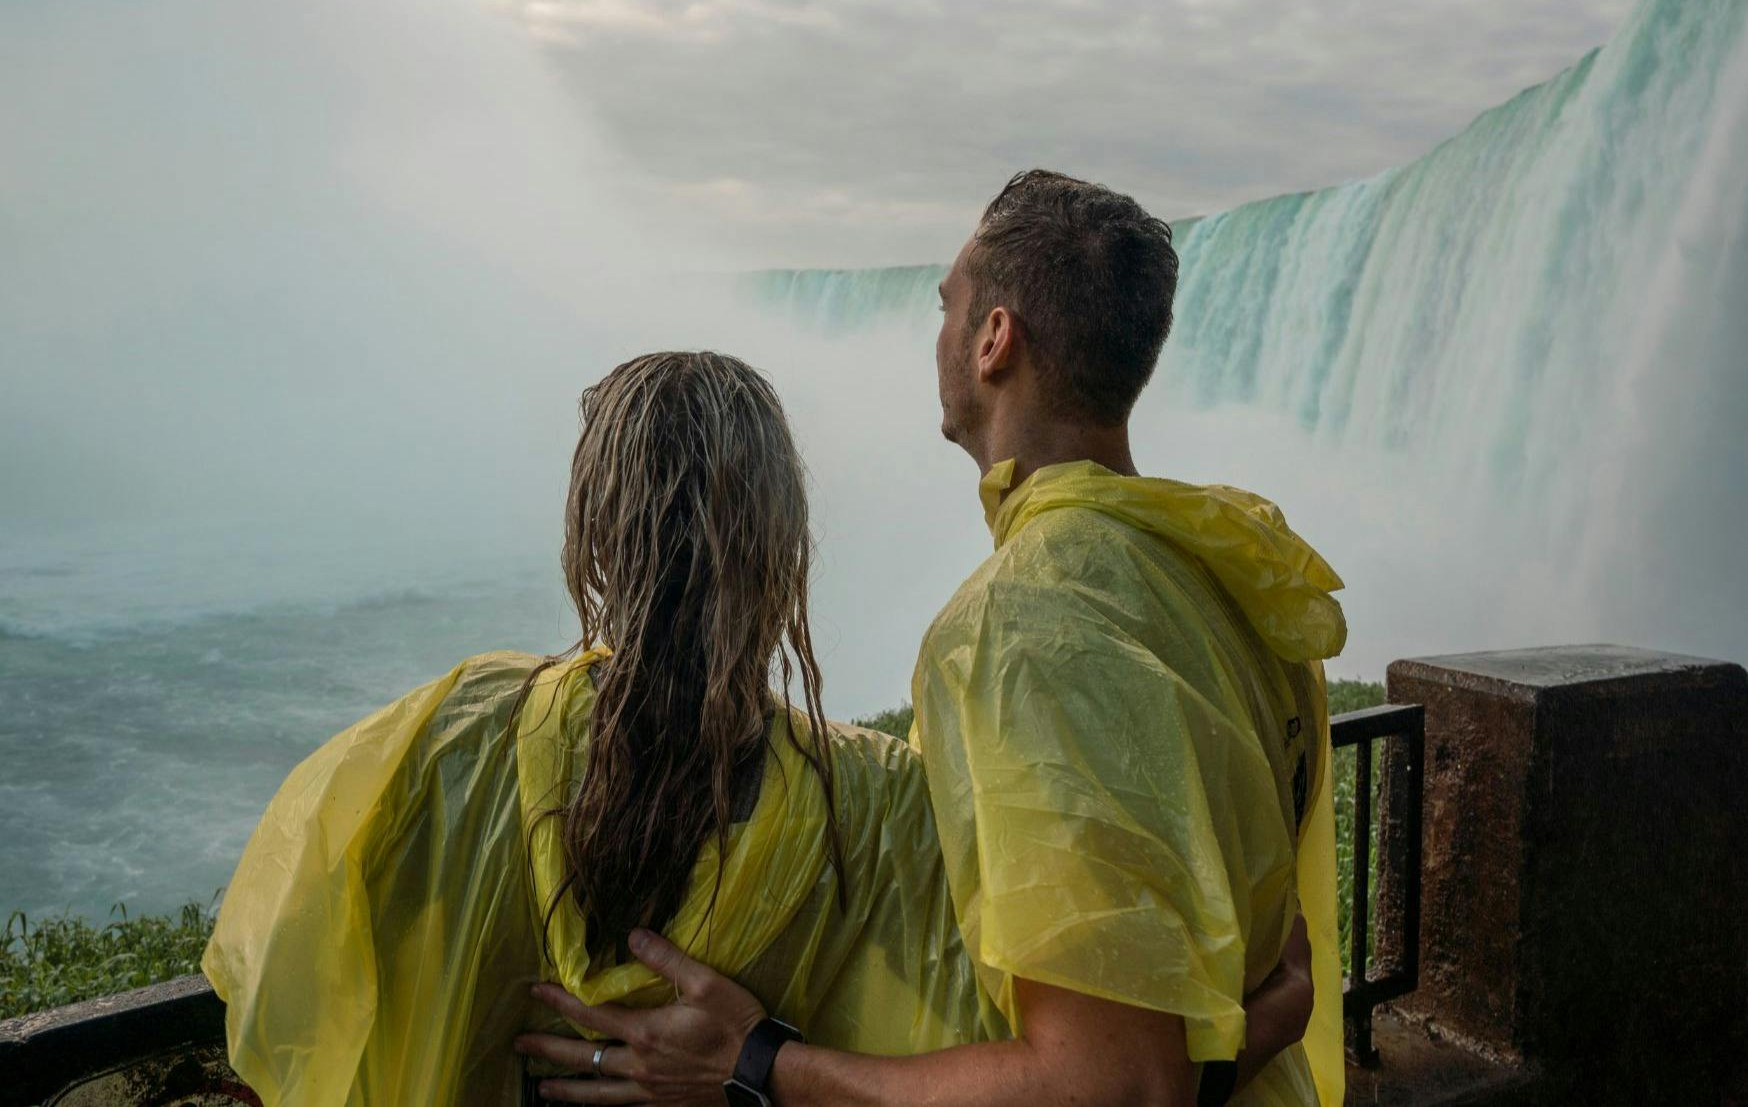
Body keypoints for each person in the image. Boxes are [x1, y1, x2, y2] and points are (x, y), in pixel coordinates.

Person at [200, 350, 1314, 1106]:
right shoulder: (876, 806)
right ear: (783, 550)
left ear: (593, 537)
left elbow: (290, 991)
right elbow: (1062, 1070)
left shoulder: (449, 743)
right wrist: (1260, 1022)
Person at [523, 172, 1348, 1107]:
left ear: (994, 339)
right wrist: (1266, 1020)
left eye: (946, 306)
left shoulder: (1021, 627)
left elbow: (1112, 1084)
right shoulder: (1231, 573)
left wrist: (755, 1063)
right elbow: (1221, 970)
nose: (938, 333)